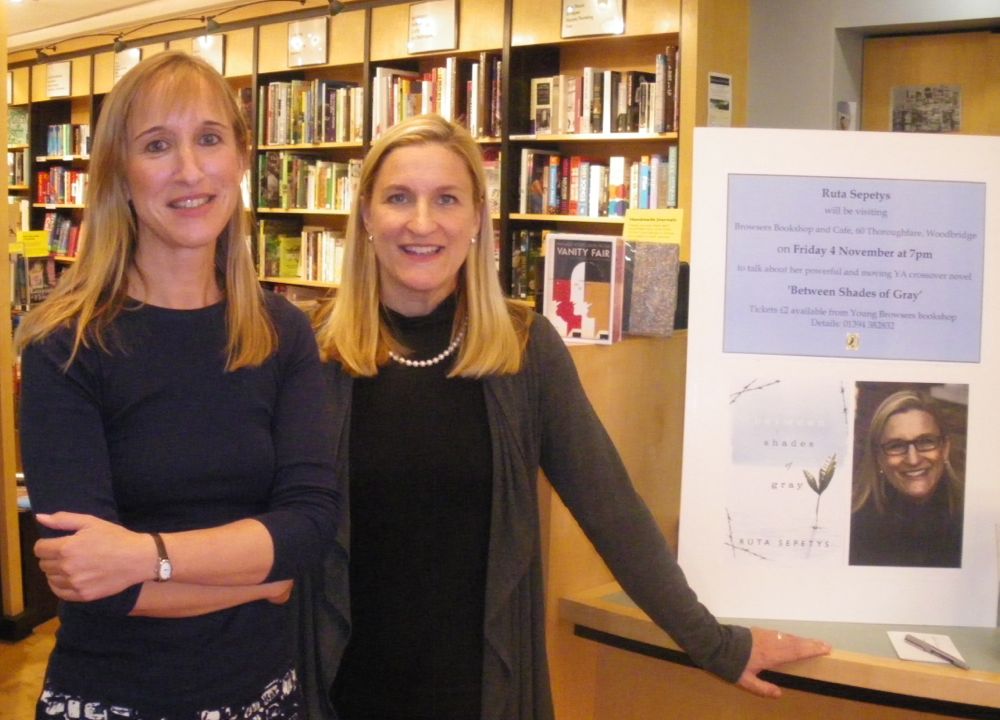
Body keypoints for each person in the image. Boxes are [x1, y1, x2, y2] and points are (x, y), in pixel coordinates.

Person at [295, 114, 830, 720]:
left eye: (447, 199)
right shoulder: (307, 349)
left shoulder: (525, 349)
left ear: (477, 219)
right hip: (336, 690)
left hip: (480, 693)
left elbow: (611, 507)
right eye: (398, 198)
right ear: (366, 216)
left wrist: (715, 644)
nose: (422, 223)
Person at [15, 51, 339, 719]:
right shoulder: (64, 345)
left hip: (264, 696)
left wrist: (144, 556)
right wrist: (262, 577)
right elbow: (93, 582)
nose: (190, 171)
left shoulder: (283, 333)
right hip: (114, 701)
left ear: (241, 158)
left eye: (210, 138)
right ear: (119, 173)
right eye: (157, 145)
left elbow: (308, 529)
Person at [849, 389, 965, 567]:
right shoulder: (854, 530)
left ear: (945, 448)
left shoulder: (971, 520)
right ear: (879, 457)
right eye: (896, 446)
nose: (913, 460)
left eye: (926, 441)